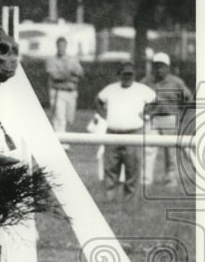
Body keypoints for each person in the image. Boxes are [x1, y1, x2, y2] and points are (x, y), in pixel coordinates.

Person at [95, 62, 156, 200]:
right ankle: (109, 200)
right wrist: (103, 114)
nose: (127, 77)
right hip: (112, 133)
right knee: (110, 168)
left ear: (134, 75)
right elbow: (98, 100)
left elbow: (156, 103)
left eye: (130, 74)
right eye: (125, 74)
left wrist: (147, 115)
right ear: (119, 75)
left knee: (132, 169)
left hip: (134, 133)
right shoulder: (110, 89)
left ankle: (130, 202)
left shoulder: (142, 89)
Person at [143, 52, 193, 187]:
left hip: (170, 118)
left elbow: (188, 98)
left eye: (162, 66)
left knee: (171, 152)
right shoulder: (146, 81)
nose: (159, 69)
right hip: (151, 118)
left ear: (168, 67)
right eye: (156, 66)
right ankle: (146, 180)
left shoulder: (176, 82)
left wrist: (182, 115)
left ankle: (170, 180)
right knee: (149, 149)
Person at [44, 36, 84, 142]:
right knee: (59, 118)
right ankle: (60, 142)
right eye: (59, 45)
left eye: (63, 45)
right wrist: (70, 74)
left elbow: (80, 74)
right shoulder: (51, 60)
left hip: (71, 92)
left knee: (70, 119)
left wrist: (66, 73)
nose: (61, 48)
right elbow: (55, 76)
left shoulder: (72, 59)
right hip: (58, 91)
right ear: (56, 46)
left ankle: (66, 140)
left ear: (66, 46)